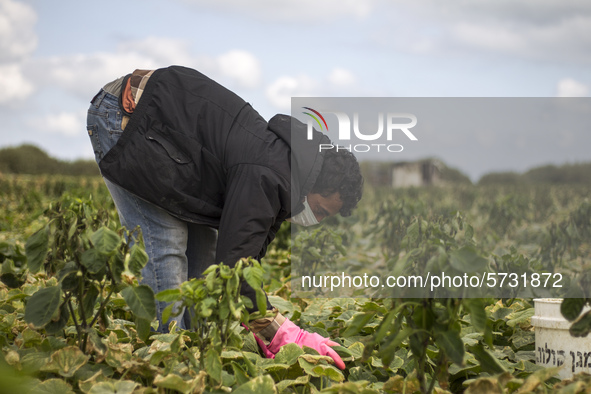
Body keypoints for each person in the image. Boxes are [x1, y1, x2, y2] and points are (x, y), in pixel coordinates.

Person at [86, 65, 363, 369]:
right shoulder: (268, 173)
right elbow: (236, 267)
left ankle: (191, 347)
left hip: (169, 135)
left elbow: (247, 259)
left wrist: (259, 322)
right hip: (131, 117)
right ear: (312, 185)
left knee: (203, 248)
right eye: (320, 210)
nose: (317, 220)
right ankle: (165, 358)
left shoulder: (287, 174)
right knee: (165, 245)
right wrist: (283, 334)